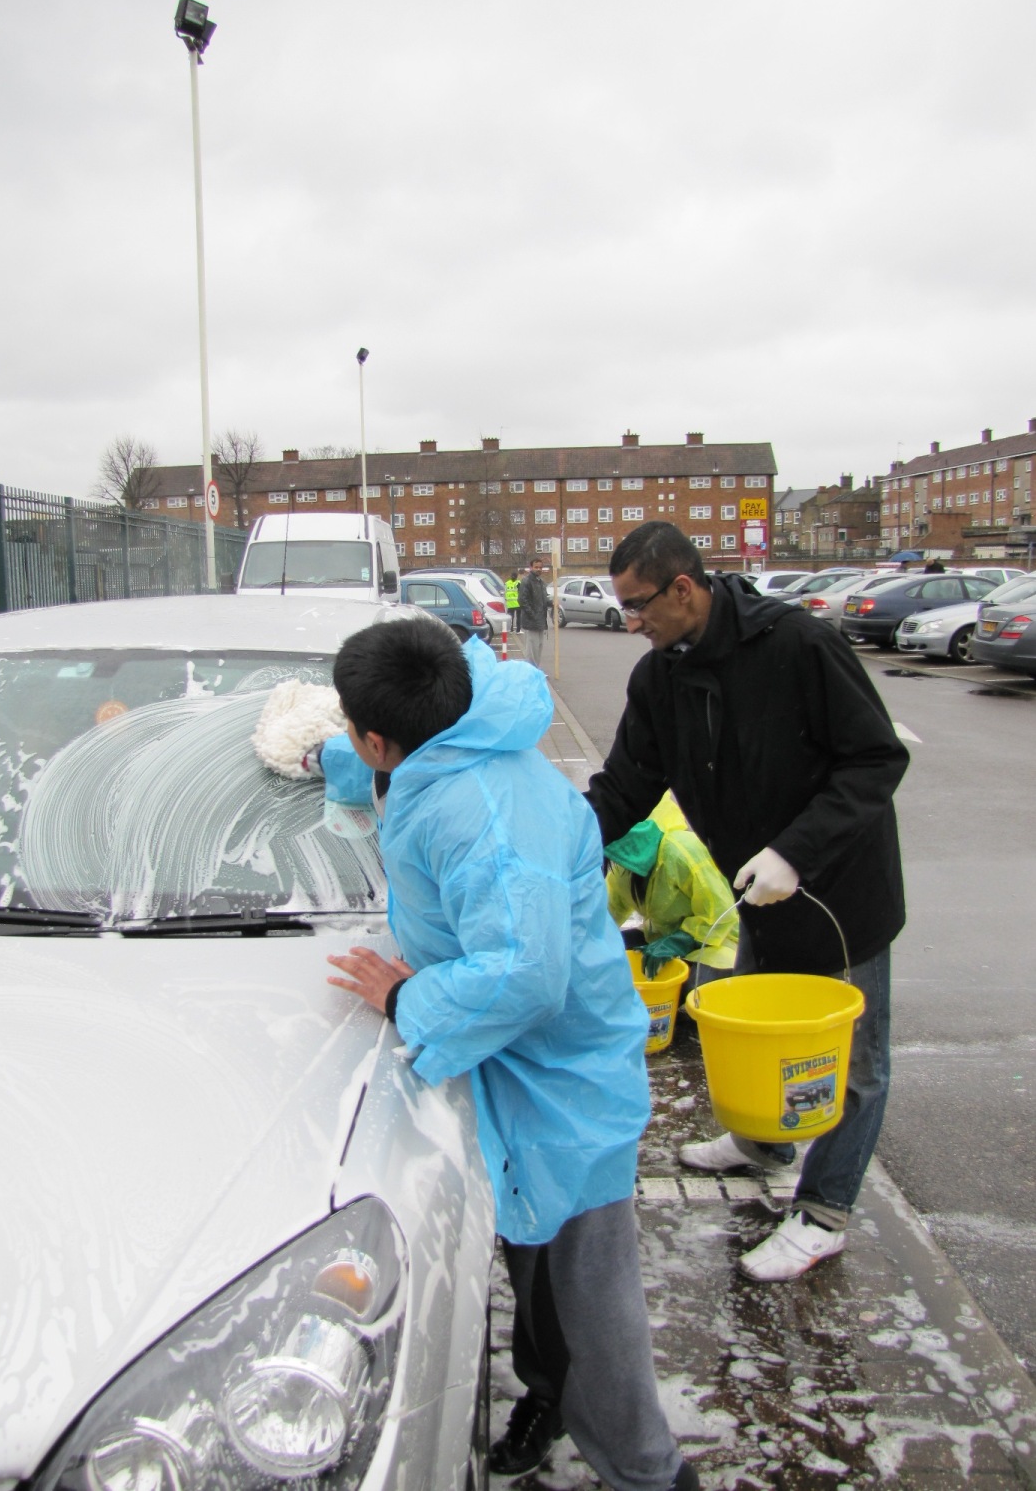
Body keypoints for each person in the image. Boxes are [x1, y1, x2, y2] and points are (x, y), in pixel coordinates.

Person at [316, 620, 699, 1491]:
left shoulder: (486, 818)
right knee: (536, 1274)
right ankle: (549, 1390)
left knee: (585, 1294)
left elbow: (528, 973)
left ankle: (649, 1470)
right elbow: (398, 781)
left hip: (560, 1075)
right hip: (509, 1055)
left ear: (379, 735)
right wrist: (323, 764)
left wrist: (407, 997)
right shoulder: (456, 728)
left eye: (351, 734)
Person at [586, 522, 909, 1283]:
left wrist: (796, 852)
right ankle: (763, 1143)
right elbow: (627, 782)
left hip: (837, 888)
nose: (630, 623)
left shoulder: (796, 646)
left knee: (852, 1065)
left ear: (684, 589)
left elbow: (875, 757)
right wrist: (563, 846)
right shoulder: (660, 673)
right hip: (751, 888)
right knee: (754, 1025)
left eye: (638, 606)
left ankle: (824, 1213)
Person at [605, 790, 738, 986]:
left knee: (693, 988)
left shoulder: (682, 852)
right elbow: (609, 912)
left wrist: (680, 940)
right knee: (612, 951)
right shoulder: (623, 868)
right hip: (661, 938)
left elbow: (722, 913)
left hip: (716, 942)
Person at [518, 556, 551, 666]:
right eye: (536, 567)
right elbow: (522, 601)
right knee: (531, 650)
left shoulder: (541, 582)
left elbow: (543, 599)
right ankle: (531, 672)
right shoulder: (526, 582)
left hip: (541, 622)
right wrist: (533, 615)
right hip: (531, 622)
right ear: (531, 567)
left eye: (540, 567)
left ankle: (536, 670)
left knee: (538, 648)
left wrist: (552, 603)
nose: (538, 569)